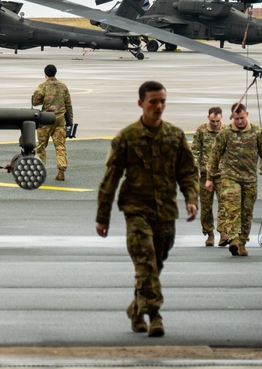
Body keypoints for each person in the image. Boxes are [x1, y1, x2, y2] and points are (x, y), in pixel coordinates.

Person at [96, 81, 197, 338]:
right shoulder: (127, 138)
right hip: (136, 209)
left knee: (155, 262)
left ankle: (136, 308)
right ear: (141, 103)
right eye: (153, 101)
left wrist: (191, 198)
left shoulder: (175, 136)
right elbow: (111, 178)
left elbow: (186, 171)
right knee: (145, 262)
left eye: (162, 101)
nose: (159, 106)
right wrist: (102, 217)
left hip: (166, 211)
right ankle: (155, 316)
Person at [205, 102, 262, 257]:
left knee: (246, 212)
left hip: (249, 178)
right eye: (236, 119)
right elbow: (214, 155)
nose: (240, 121)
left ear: (247, 115)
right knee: (232, 208)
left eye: (242, 118)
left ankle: (242, 242)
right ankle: (234, 238)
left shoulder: (256, 132)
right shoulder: (226, 133)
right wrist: (209, 178)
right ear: (232, 117)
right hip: (230, 177)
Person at [31, 64, 74, 181]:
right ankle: (61, 171)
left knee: (40, 146)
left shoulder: (43, 86)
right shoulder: (63, 86)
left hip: (46, 119)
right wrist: (70, 122)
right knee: (60, 146)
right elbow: (68, 105)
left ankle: (40, 171)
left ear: (45, 74)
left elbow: (35, 102)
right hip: (60, 119)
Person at [191, 107, 223, 247]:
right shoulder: (202, 131)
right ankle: (209, 233)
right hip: (205, 174)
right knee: (206, 206)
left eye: (217, 121)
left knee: (225, 205)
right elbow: (195, 151)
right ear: (207, 118)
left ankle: (224, 233)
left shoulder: (226, 131)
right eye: (212, 121)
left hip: (222, 174)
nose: (215, 124)